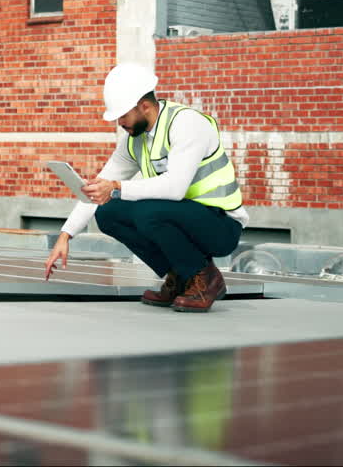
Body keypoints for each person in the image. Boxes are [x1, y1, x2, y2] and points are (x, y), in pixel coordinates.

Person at [43, 63, 248, 312]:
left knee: (147, 212)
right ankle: (181, 277)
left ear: (145, 106)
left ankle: (206, 278)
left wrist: (117, 187)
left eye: (123, 115)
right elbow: (97, 189)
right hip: (182, 219)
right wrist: (66, 236)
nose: (120, 122)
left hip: (221, 226)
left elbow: (175, 188)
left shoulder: (186, 124)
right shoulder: (135, 140)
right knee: (109, 213)